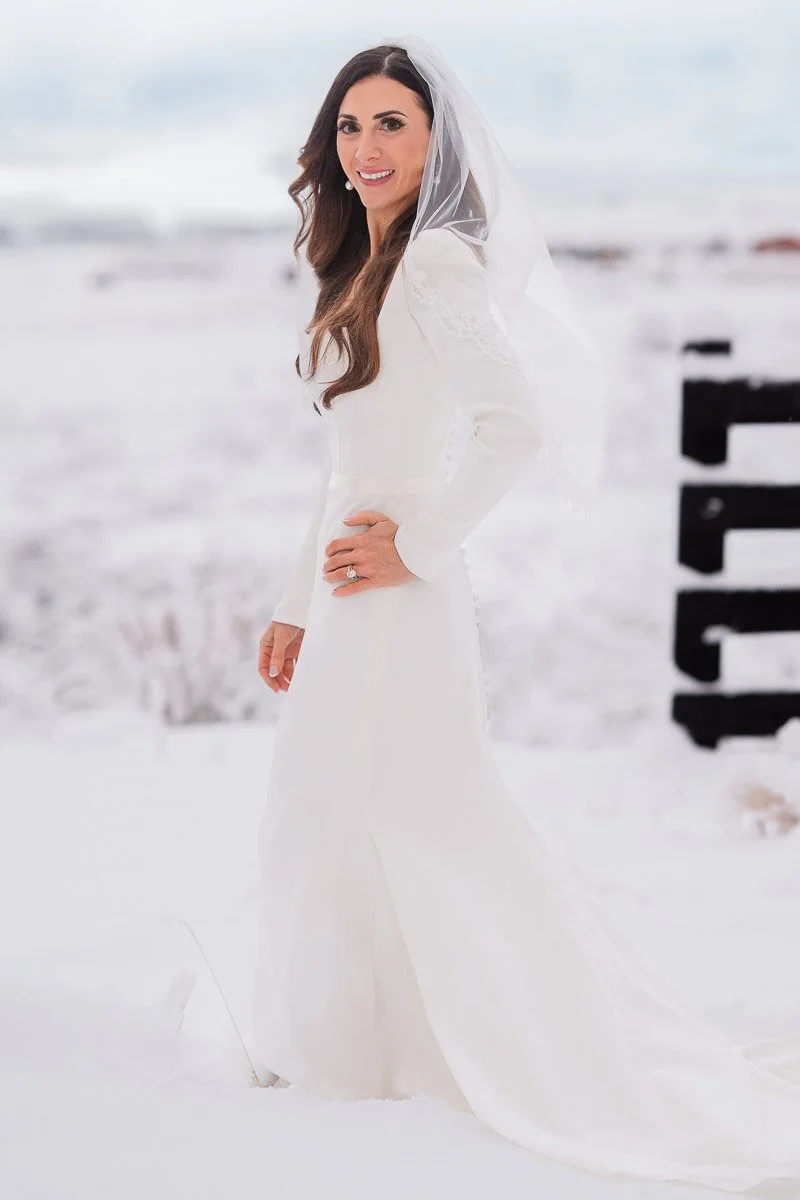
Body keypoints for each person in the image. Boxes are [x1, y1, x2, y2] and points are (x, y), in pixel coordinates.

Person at [253, 33, 800, 1194]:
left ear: (436, 138)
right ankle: (358, 1047)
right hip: (350, 599)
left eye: (390, 123)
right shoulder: (358, 266)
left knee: (429, 821)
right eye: (350, 126)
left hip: (403, 600)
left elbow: (512, 425)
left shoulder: (440, 262)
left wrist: (418, 544)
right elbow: (339, 470)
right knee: (332, 813)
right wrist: (294, 606)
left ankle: (528, 1050)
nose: (365, 147)